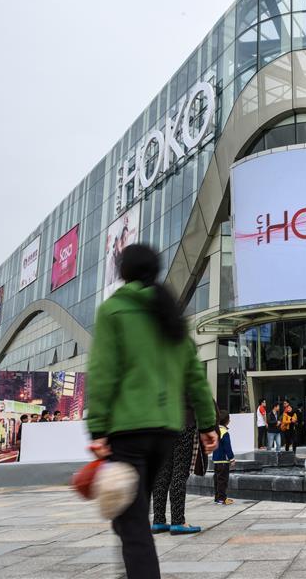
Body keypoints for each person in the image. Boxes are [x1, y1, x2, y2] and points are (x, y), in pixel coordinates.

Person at [87, 244, 218, 579]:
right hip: (167, 432)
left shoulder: (113, 310)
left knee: (131, 522)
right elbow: (195, 376)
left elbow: (102, 373)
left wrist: (98, 428)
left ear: (123, 271)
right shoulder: (169, 315)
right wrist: (208, 424)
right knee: (131, 512)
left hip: (128, 431)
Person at [151, 406, 201, 535]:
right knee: (179, 472)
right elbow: (200, 398)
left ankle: (158, 521)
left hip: (162, 427)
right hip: (183, 423)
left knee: (162, 474)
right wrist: (209, 427)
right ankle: (178, 522)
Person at [212, 410, 236, 505]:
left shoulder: (215, 431)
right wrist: (232, 458)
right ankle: (222, 499)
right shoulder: (224, 432)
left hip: (216, 460)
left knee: (217, 480)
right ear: (227, 421)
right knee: (223, 480)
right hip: (223, 460)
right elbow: (227, 447)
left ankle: (217, 498)